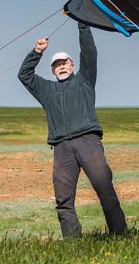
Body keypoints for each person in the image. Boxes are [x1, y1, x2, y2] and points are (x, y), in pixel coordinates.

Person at [18, 22, 127, 237]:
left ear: (73, 65)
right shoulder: (46, 90)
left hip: (88, 142)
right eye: (57, 65)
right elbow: (24, 75)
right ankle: (72, 242)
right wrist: (37, 52)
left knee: (105, 189)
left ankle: (120, 235)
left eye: (65, 63)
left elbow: (89, 52)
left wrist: (82, 24)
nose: (61, 67)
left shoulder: (85, 80)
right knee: (63, 199)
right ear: (52, 70)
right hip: (62, 148)